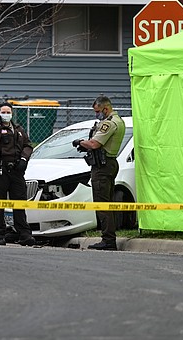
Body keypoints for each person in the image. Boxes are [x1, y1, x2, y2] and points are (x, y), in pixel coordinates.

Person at [72, 95, 125, 250]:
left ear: (105, 108)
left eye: (98, 111)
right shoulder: (118, 121)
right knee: (107, 203)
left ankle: (108, 240)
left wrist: (80, 142)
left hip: (102, 166)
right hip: (108, 163)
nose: (97, 114)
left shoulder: (109, 123)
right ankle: (109, 239)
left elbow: (95, 143)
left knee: (102, 204)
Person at [0, 102, 35, 246]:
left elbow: (27, 145)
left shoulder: (18, 129)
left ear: (12, 113)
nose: (6, 114)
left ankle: (24, 234)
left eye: (8, 112)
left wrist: (24, 159)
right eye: (3, 112)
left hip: (16, 171)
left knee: (19, 202)